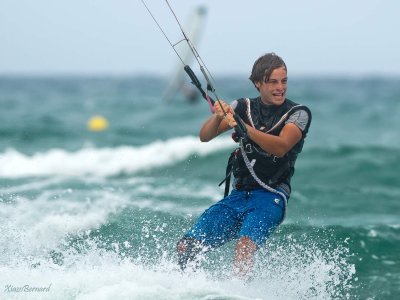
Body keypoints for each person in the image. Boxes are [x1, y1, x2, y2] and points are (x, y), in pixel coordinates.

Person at [176, 53, 312, 277]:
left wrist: (245, 129)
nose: (280, 87)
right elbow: (204, 136)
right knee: (186, 246)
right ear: (258, 83)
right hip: (239, 196)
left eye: (284, 81)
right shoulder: (242, 106)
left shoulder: (298, 113)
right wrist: (219, 116)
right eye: (273, 82)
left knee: (244, 247)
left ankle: (238, 293)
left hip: (270, 195)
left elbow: (281, 146)